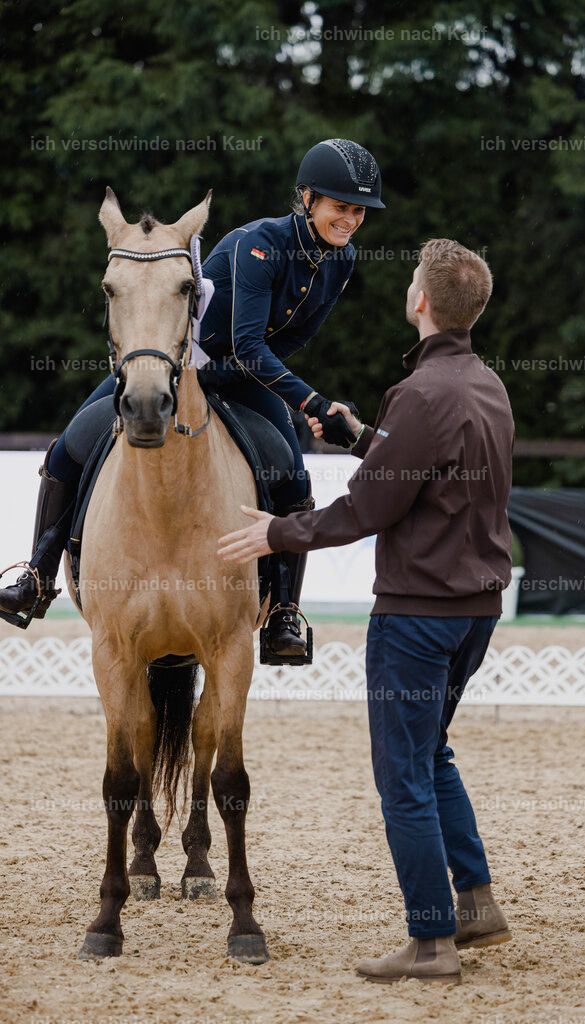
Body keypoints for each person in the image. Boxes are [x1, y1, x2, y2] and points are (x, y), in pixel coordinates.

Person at [218, 237, 514, 983]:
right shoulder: (485, 385)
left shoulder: (420, 393)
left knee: (402, 777)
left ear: (419, 300)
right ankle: (474, 903)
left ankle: (430, 941)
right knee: (431, 753)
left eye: (413, 278)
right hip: (474, 609)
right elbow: (417, 472)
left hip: (417, 613)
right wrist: (359, 437)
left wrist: (278, 533)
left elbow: (372, 506)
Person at [0, 139, 385, 659]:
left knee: (293, 475)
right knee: (68, 448)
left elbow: (290, 339)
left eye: (358, 210)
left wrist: (283, 392)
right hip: (178, 363)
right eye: (341, 207)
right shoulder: (261, 246)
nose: (351, 220)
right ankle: (37, 575)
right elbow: (248, 342)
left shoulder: (343, 261)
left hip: (243, 374)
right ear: (308, 197)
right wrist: (313, 404)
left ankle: (282, 611)